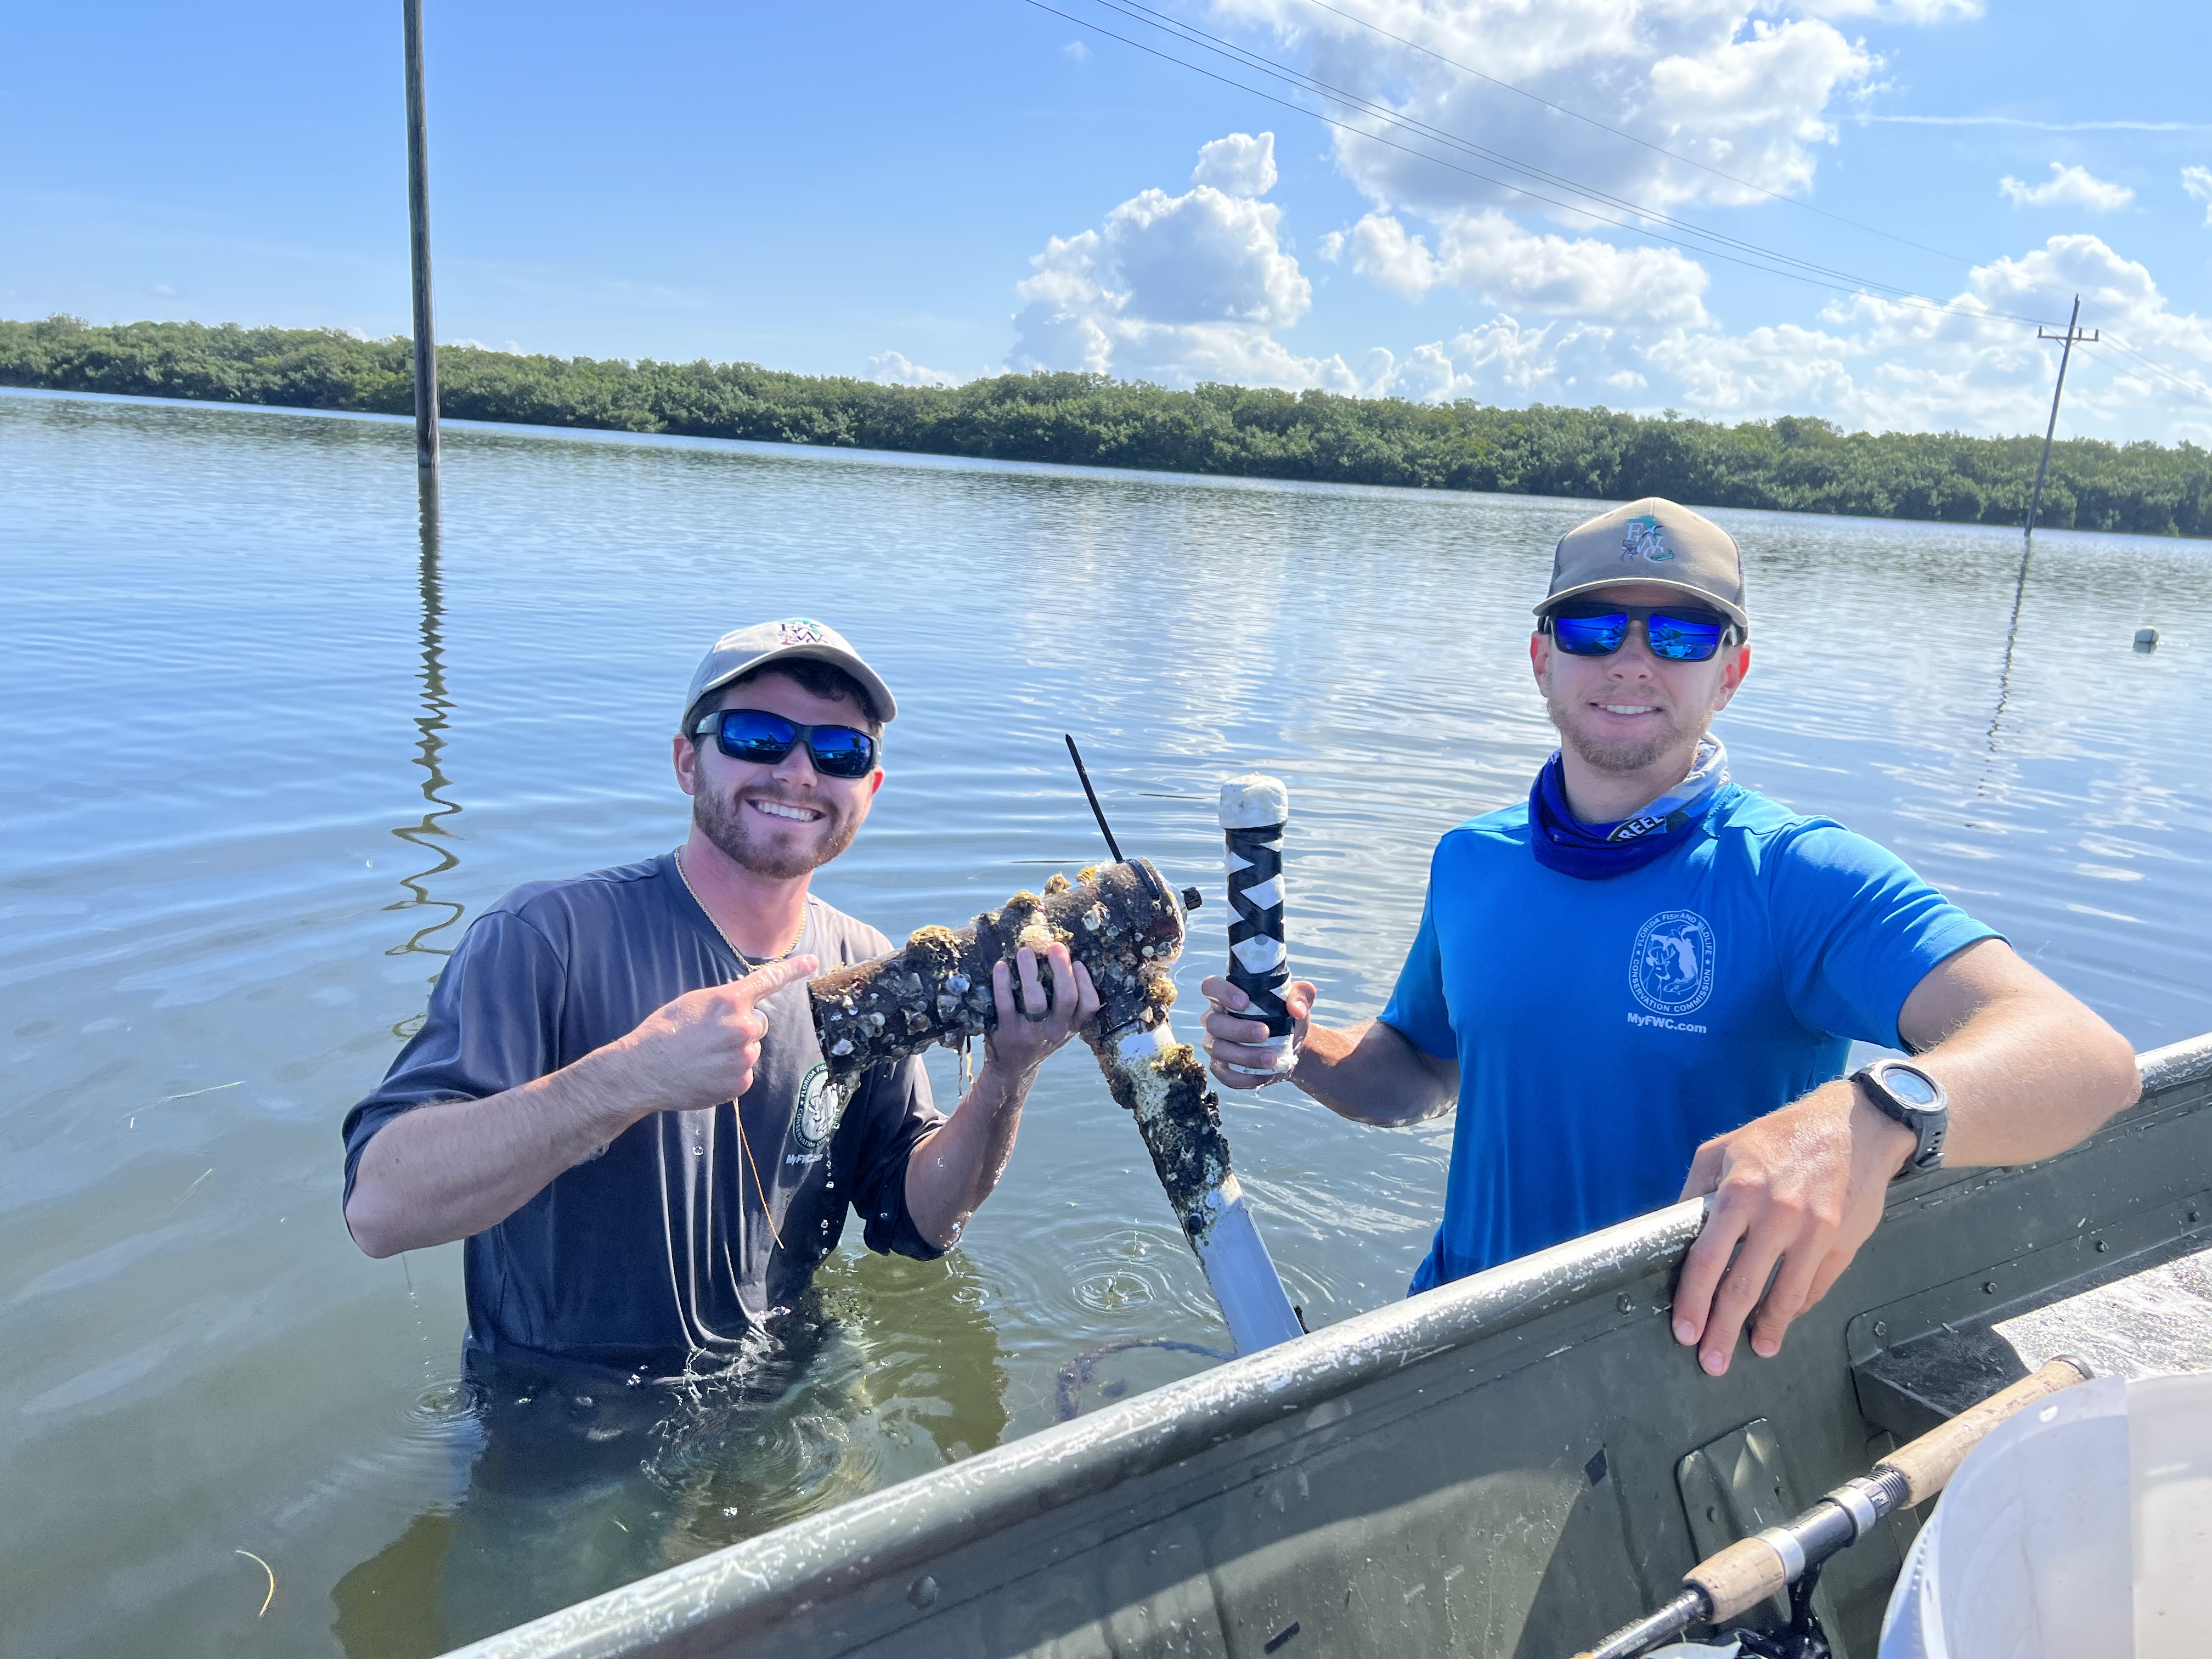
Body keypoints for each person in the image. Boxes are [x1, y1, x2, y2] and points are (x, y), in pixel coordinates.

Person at [1201, 498, 2141, 1378]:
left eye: (1682, 635)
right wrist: (1301, 1050)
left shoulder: (1798, 876)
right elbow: (1423, 1072)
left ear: (1730, 672)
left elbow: (2086, 1057)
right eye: (1595, 628)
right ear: (1542, 658)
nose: (1632, 661)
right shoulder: (1471, 860)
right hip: (1459, 1340)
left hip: (1680, 1372)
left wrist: (1866, 1119)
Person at [342, 617, 1099, 1381]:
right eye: (758, 735)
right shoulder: (546, 938)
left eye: (840, 751)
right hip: (563, 1428)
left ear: (868, 789)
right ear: (685, 761)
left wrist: (1008, 1076)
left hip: (790, 1404)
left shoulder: (868, 967)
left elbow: (922, 1222)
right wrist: (628, 1077)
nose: (800, 772)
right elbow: (380, 1208)